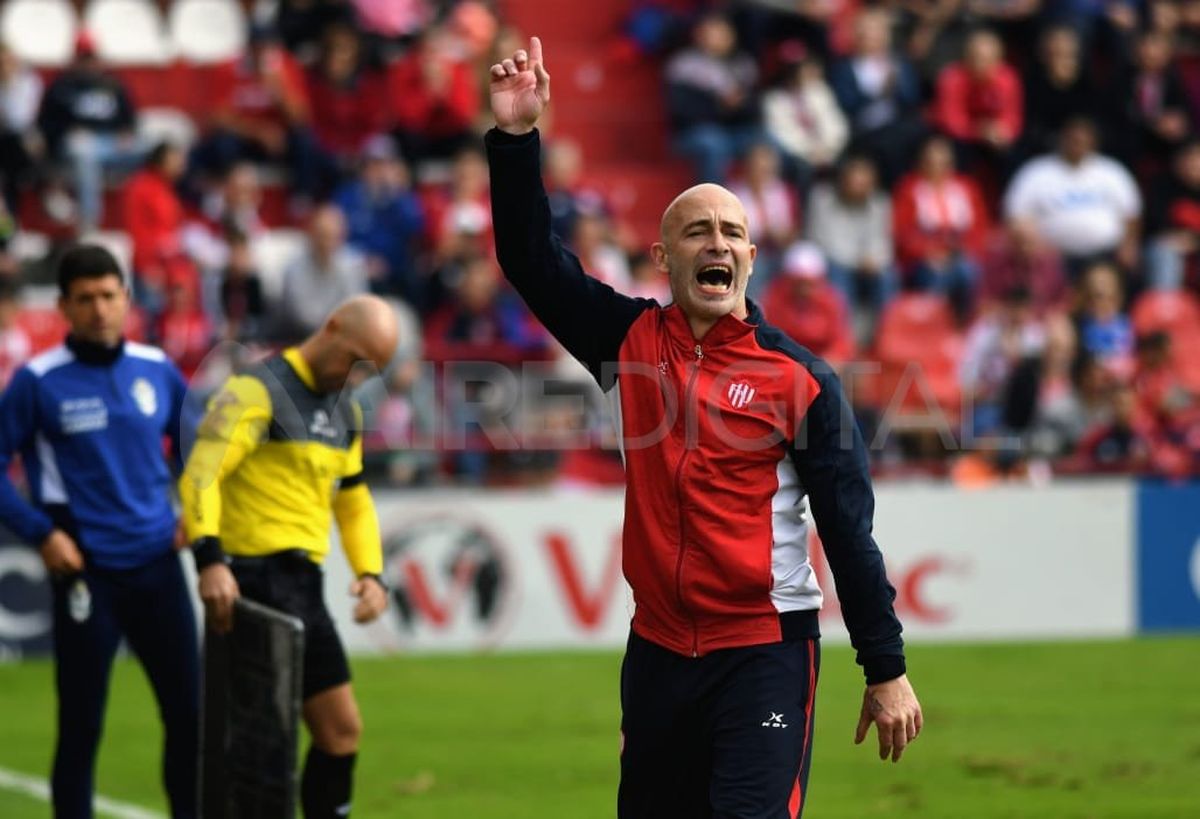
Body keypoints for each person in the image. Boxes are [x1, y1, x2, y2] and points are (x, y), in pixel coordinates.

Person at [486, 37, 922, 818]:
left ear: (752, 256)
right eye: (696, 231)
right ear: (662, 256)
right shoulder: (629, 343)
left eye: (730, 231)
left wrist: (884, 667)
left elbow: (850, 534)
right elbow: (529, 258)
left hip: (764, 653)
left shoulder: (802, 381)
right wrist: (518, 137)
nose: (715, 241)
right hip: (655, 654)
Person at [179, 294, 398, 819]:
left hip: (303, 586)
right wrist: (209, 559)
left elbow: (353, 500)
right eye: (357, 361)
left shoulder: (345, 411)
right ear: (331, 325)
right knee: (261, 747)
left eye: (372, 372)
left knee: (341, 731)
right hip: (250, 585)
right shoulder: (257, 389)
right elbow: (202, 473)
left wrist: (371, 573)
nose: (358, 377)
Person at [0, 245, 198, 818]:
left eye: (109, 296)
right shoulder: (38, 381)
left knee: (189, 716)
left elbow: (200, 451)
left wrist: (194, 515)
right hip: (86, 570)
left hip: (160, 565)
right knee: (83, 723)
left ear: (127, 299)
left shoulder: (156, 367)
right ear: (63, 306)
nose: (99, 309)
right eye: (84, 298)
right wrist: (42, 533)